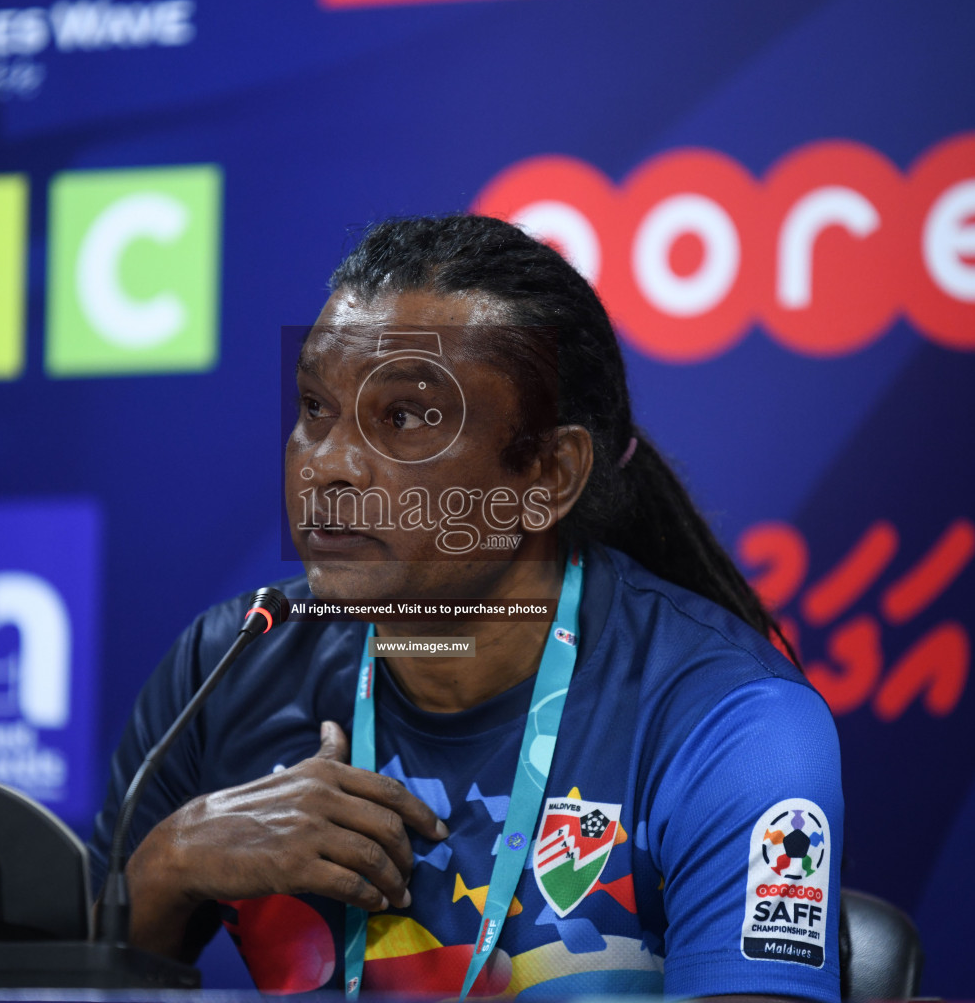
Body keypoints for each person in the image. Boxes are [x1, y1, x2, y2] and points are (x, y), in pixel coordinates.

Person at [89, 214, 844, 1000]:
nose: (329, 468)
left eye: (406, 419)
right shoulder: (230, 666)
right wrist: (170, 866)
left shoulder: (734, 721)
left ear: (548, 474)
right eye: (314, 409)